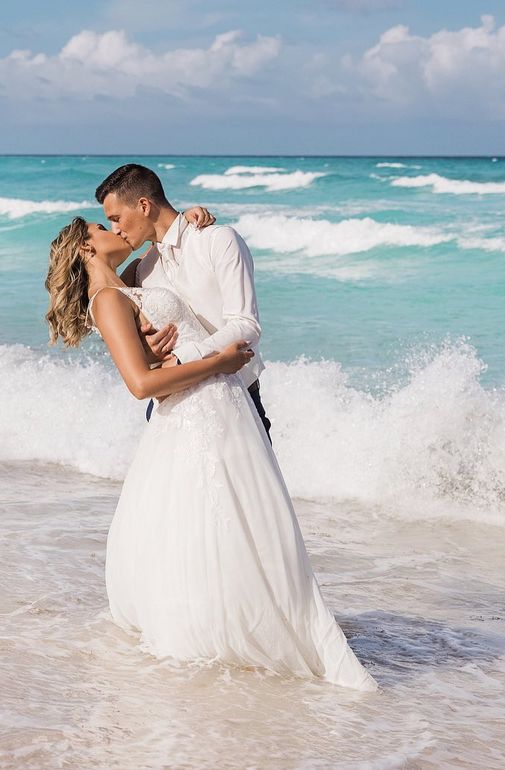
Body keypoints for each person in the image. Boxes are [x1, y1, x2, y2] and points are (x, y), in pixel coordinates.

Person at [43, 212, 378, 691]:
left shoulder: (132, 278)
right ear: (85, 249)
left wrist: (190, 214)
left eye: (115, 218)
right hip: (197, 406)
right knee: (225, 518)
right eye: (101, 227)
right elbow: (142, 384)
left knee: (233, 520)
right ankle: (242, 626)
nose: (113, 229)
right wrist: (219, 360)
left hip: (216, 406)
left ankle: (257, 612)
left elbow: (166, 248)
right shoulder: (108, 299)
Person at [97, 164, 272, 440]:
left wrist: (182, 359)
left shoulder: (218, 240)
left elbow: (246, 326)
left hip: (239, 400)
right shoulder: (142, 271)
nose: (114, 229)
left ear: (144, 205)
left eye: (116, 218)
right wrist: (147, 353)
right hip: (172, 408)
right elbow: (126, 342)